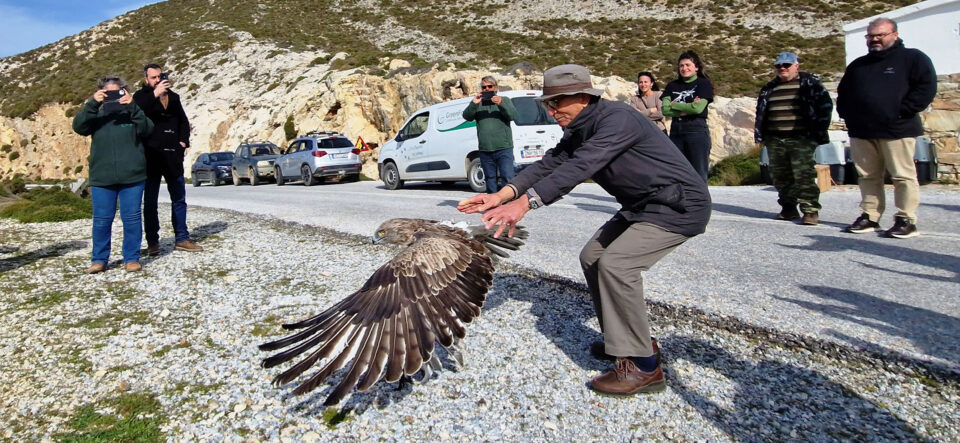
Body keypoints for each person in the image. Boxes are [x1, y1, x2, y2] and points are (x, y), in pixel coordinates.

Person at [458, 64, 711, 396]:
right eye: (549, 105)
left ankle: (644, 367)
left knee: (618, 265)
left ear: (582, 97)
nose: (551, 112)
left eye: (557, 104)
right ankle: (624, 341)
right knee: (592, 256)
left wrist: (525, 204)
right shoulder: (579, 127)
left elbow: (582, 166)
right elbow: (551, 163)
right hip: (643, 206)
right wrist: (502, 195)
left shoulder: (616, 119)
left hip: (678, 205)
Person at [837, 18, 936, 239]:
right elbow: (844, 93)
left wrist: (902, 111)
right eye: (870, 36)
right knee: (867, 176)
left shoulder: (913, 58)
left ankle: (906, 219)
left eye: (879, 35)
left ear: (894, 34)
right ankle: (870, 215)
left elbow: (926, 87)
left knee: (902, 175)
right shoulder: (858, 65)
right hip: (862, 130)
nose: (874, 40)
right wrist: (847, 115)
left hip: (897, 129)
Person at [72, 75, 154, 273]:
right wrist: (93, 103)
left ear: (124, 91)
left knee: (132, 218)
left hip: (132, 177)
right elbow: (79, 127)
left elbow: (147, 129)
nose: (112, 97)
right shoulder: (96, 116)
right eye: (107, 93)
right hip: (102, 177)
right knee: (101, 220)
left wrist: (133, 106)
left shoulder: (132, 113)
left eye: (116, 92)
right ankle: (99, 259)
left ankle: (131, 258)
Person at [754, 52, 834, 226]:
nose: (782, 68)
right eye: (779, 65)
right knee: (780, 176)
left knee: (804, 175)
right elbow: (761, 112)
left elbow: (825, 107)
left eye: (786, 65)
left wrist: (817, 130)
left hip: (801, 138)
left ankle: (810, 210)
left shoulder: (810, 84)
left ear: (796, 66)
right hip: (775, 139)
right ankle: (788, 207)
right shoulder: (769, 88)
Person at [133, 64, 203, 254]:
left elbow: (183, 121)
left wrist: (183, 142)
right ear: (146, 79)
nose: (157, 80)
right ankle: (152, 242)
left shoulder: (174, 97)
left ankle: (182, 238)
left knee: (179, 198)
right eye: (153, 77)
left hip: (172, 155)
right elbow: (136, 112)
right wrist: (155, 94)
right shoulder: (141, 97)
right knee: (150, 201)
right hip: (151, 156)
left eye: (159, 76)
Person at [661, 50, 714, 179]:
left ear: (696, 67)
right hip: (676, 131)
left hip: (696, 130)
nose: (684, 68)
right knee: (677, 172)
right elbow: (665, 110)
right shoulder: (672, 85)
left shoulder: (703, 84)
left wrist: (675, 104)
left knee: (699, 173)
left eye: (688, 65)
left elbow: (698, 109)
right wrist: (689, 107)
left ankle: (700, 199)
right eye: (681, 66)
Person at [462, 76, 519, 193]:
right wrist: (474, 104)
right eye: (484, 87)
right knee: (489, 179)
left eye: (490, 86)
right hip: (485, 150)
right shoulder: (478, 103)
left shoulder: (505, 100)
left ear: (496, 88)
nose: (487, 89)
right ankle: (493, 205)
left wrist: (501, 104)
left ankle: (507, 204)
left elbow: (513, 116)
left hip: (504, 148)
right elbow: (466, 116)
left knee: (507, 177)